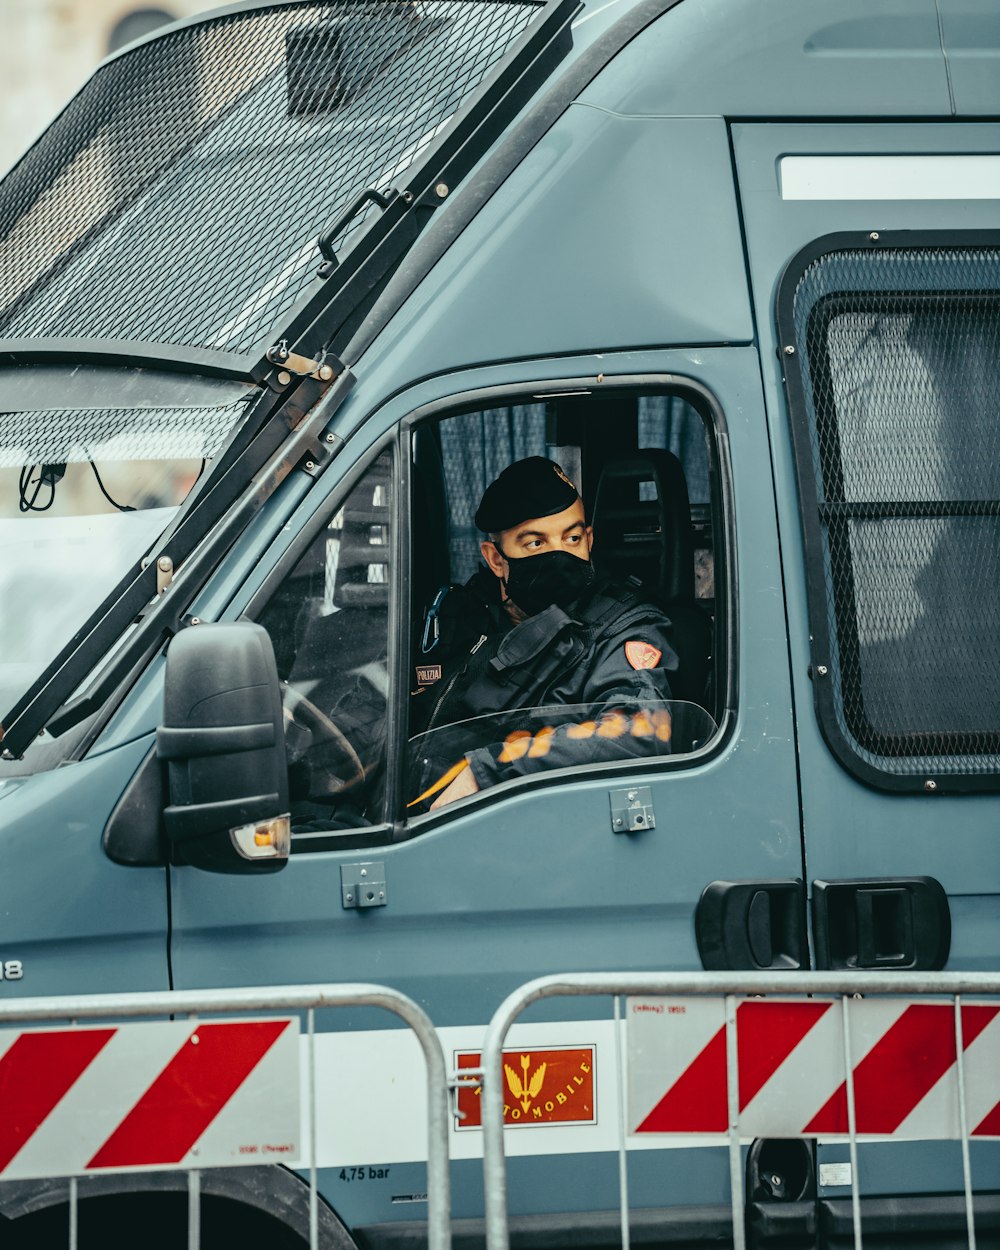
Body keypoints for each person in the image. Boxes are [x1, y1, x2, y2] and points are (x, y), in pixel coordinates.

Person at [409, 456, 679, 809]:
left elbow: (640, 732)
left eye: (573, 538)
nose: (559, 555)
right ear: (495, 559)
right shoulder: (457, 615)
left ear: (590, 540)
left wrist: (490, 772)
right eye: (536, 543)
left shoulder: (622, 629)